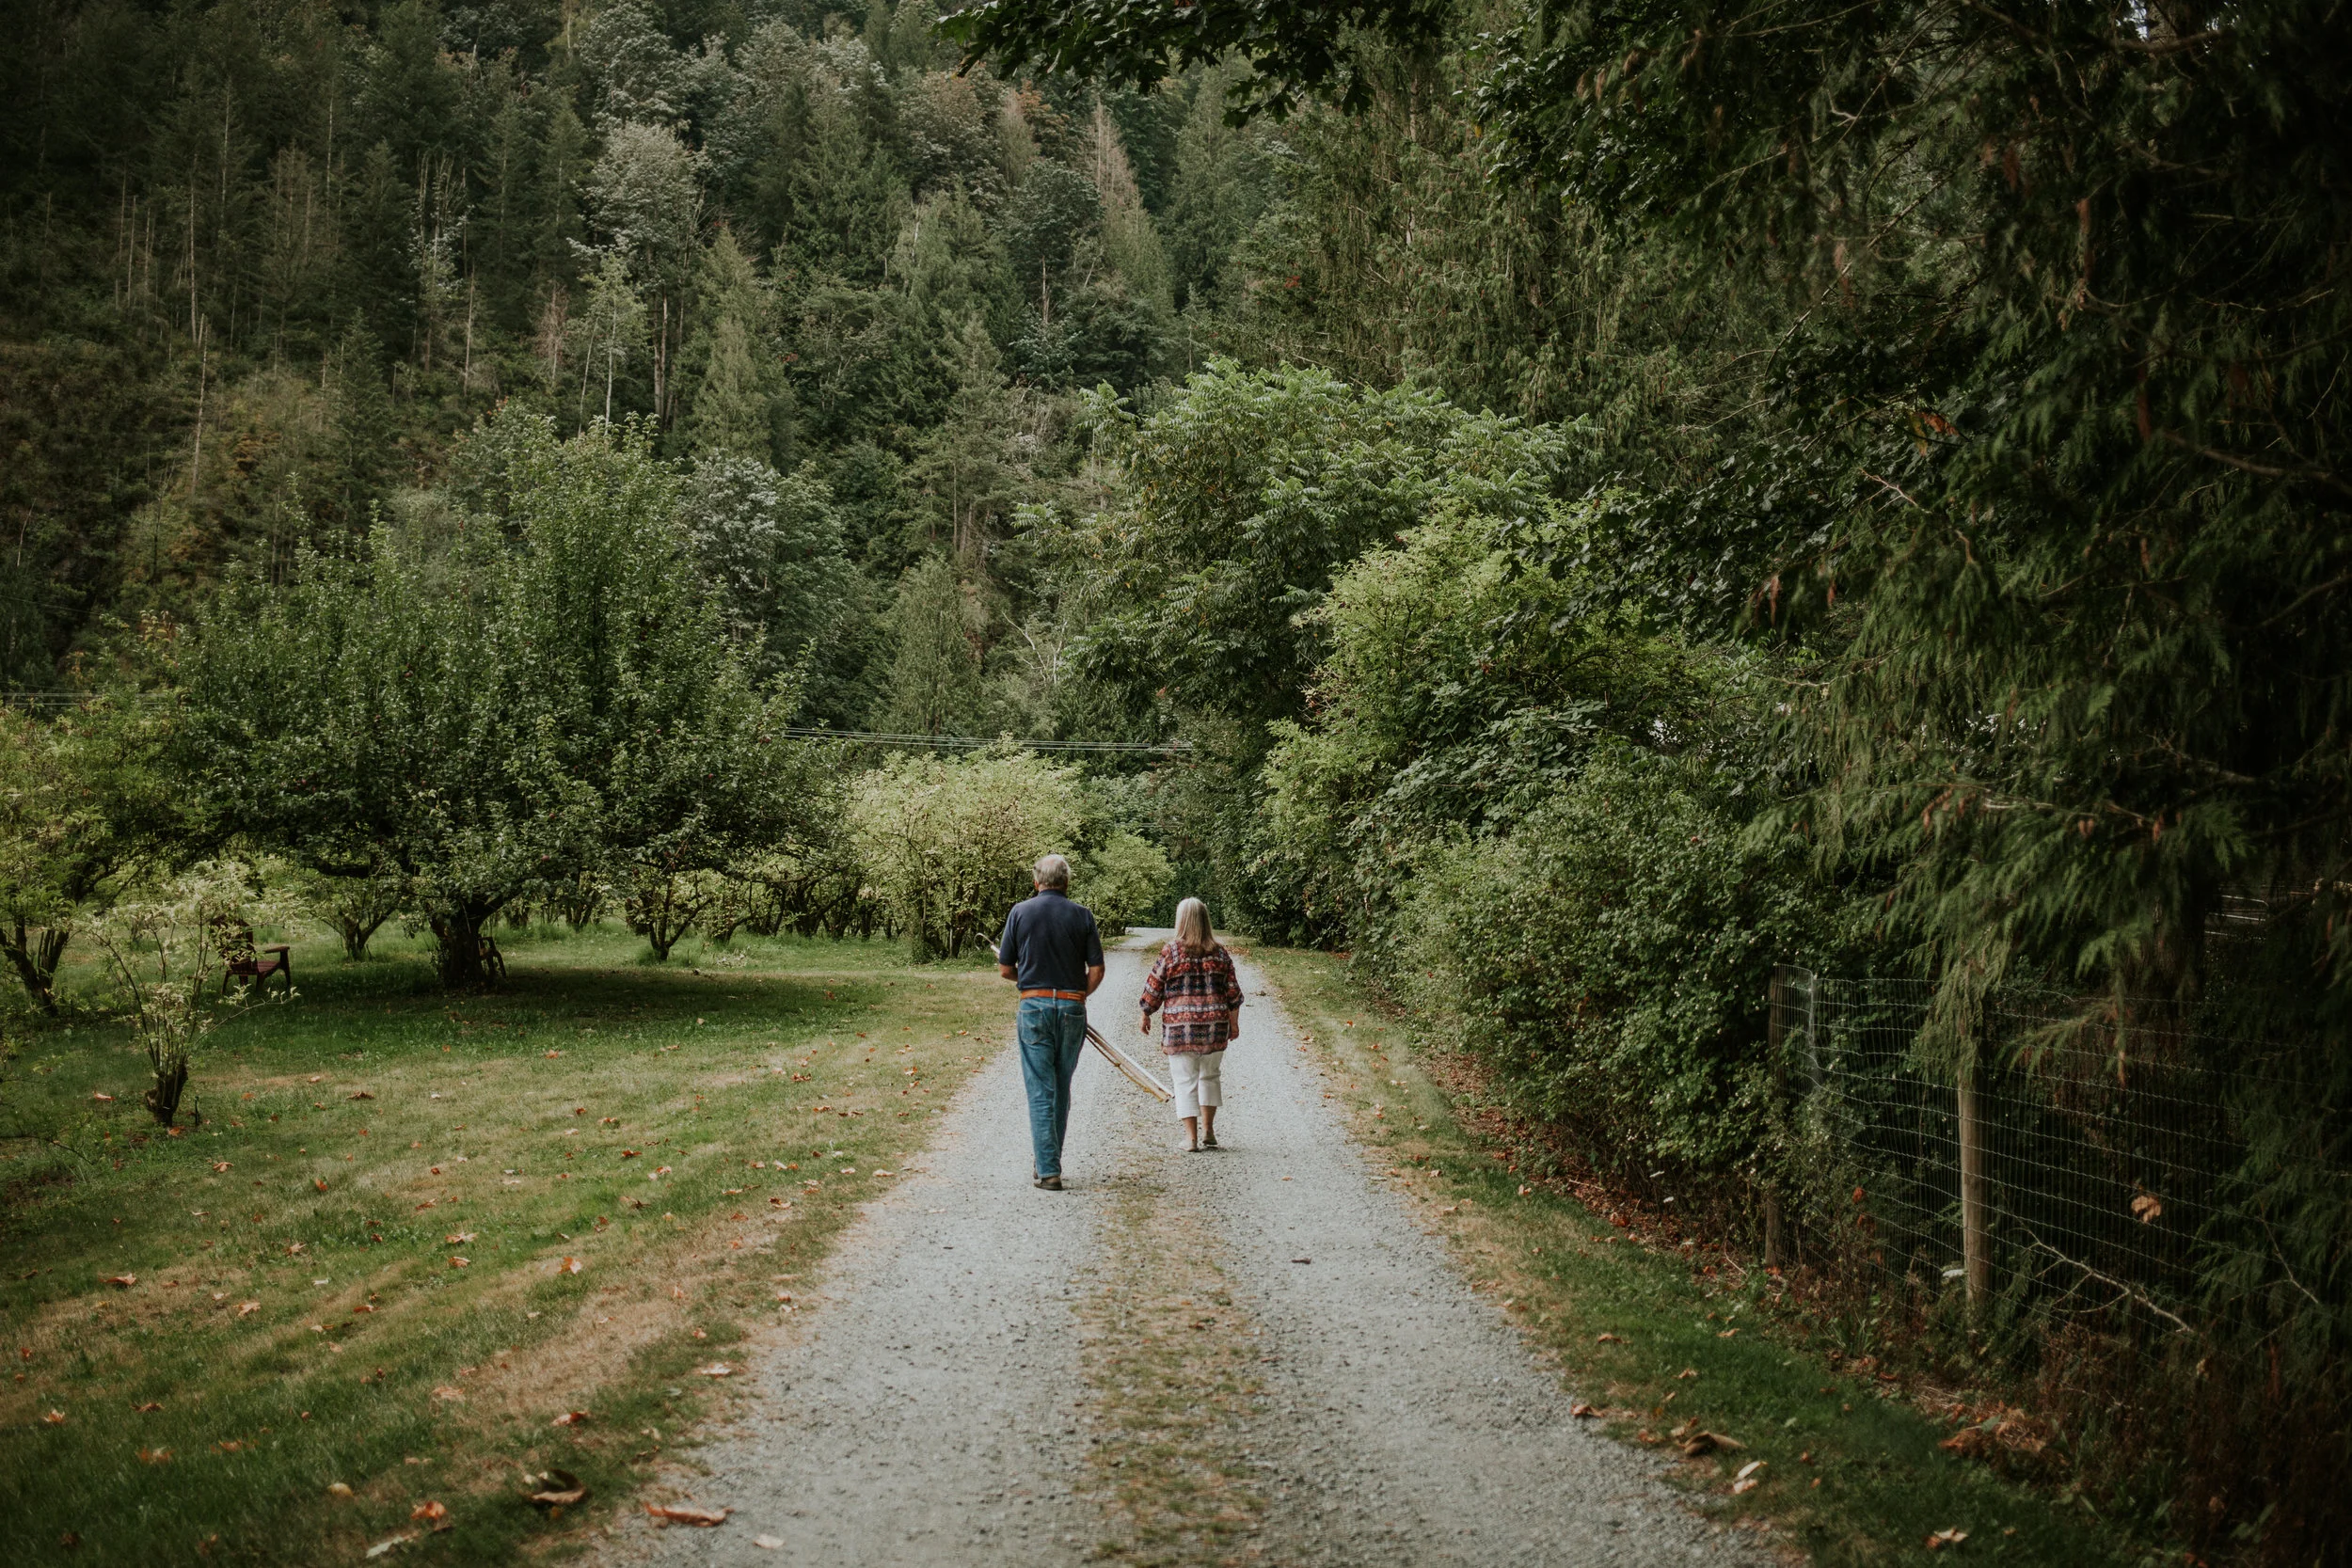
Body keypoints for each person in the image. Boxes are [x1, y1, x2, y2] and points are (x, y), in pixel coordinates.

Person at [996, 853, 1104, 1191]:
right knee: (1060, 1085)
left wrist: (1028, 981)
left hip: (1034, 1006)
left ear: (1036, 881)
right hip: (1071, 1008)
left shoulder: (1019, 912)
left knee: (1040, 1087)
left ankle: (1048, 1168)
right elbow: (1097, 969)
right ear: (1066, 882)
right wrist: (1078, 995)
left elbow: (1004, 969)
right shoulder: (1082, 915)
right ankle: (1048, 1160)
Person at [1138, 897, 1244, 1152]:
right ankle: (1209, 1131)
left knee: (1185, 1080)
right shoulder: (1220, 952)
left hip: (1180, 1027)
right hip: (1214, 1025)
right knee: (1210, 1076)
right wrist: (1234, 1024)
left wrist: (1146, 1012)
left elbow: (1155, 985)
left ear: (1181, 920)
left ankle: (1191, 1138)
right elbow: (1233, 992)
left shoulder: (1171, 951)